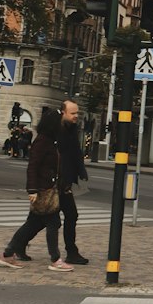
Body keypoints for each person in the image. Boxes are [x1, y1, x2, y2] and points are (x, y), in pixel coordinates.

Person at [0, 109, 75, 272]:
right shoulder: (43, 142)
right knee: (53, 222)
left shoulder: (51, 140)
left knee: (32, 224)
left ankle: (8, 253)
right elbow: (33, 166)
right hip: (42, 189)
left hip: (47, 188)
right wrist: (32, 189)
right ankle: (55, 259)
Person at [57, 99, 90, 266]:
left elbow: (75, 153)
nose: (76, 116)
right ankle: (71, 252)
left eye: (77, 113)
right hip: (57, 181)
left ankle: (15, 247)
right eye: (73, 113)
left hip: (64, 180)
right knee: (69, 215)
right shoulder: (57, 131)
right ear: (63, 113)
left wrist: (80, 170)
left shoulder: (71, 130)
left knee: (40, 218)